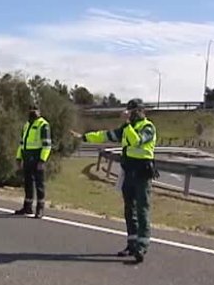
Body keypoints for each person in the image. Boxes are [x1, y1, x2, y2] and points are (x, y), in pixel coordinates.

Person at [73, 99, 158, 263]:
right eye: (129, 111)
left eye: (133, 111)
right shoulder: (127, 128)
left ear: (141, 111)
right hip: (128, 172)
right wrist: (84, 137)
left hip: (142, 173)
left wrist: (127, 124)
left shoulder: (148, 127)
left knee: (142, 209)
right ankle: (132, 244)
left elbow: (136, 141)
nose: (130, 114)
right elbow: (106, 135)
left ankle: (142, 246)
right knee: (129, 210)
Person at [14, 105, 52, 219]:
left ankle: (40, 208)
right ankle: (27, 207)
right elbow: (22, 143)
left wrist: (42, 160)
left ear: (39, 111)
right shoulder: (26, 125)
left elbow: (47, 145)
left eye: (35, 110)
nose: (32, 112)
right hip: (26, 156)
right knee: (28, 183)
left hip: (37, 157)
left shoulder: (43, 125)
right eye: (31, 109)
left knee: (39, 184)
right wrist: (18, 157)